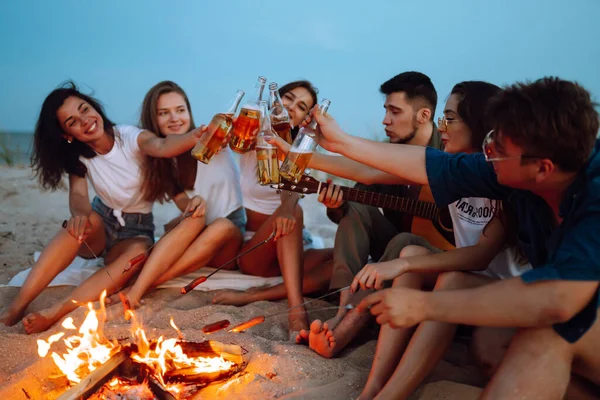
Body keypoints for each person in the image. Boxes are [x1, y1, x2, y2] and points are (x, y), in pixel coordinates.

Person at [310, 77, 600, 398]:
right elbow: (426, 164)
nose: (487, 154)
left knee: (546, 336)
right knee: (491, 346)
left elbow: (559, 299)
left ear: (542, 169)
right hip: (559, 307)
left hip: (577, 309)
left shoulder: (593, 196)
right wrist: (333, 143)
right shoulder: (518, 167)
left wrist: (424, 305)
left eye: (497, 150)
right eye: (490, 140)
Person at [350, 81, 533, 400]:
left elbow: (480, 257)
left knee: (444, 276)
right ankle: (374, 386)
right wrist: (310, 156)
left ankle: (390, 395)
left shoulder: (501, 175)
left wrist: (401, 264)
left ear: (477, 124)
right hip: (476, 280)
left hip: (510, 289)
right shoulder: (454, 170)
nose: (441, 126)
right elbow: (370, 171)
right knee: (410, 251)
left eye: (449, 118)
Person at [0, 82, 205, 333]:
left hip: (135, 231)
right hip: (100, 222)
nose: (85, 121)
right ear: (67, 134)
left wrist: (193, 137)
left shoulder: (129, 136)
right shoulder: (79, 156)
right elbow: (78, 196)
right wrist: (79, 216)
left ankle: (56, 311)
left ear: (94, 107)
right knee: (75, 226)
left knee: (137, 255)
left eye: (85, 109)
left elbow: (162, 147)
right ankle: (16, 307)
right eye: (73, 122)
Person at [294, 71, 446, 354]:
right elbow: (354, 205)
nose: (385, 120)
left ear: (423, 116)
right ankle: (344, 309)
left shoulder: (449, 154)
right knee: (361, 207)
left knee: (406, 241)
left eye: (395, 111)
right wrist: (337, 206)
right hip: (392, 254)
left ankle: (352, 323)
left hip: (435, 259)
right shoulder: (386, 153)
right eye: (385, 110)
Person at [212, 80, 334, 341]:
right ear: (275, 100)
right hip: (256, 248)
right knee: (292, 214)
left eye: (301, 106)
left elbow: (291, 189)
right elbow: (228, 141)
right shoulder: (255, 133)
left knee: (342, 261)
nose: (290, 107)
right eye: (287, 98)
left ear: (305, 119)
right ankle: (296, 308)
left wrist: (288, 209)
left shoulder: (302, 151)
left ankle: (255, 296)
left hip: (291, 243)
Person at [109, 81, 245, 308]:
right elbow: (183, 202)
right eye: (164, 113)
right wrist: (194, 202)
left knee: (220, 225)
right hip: (199, 230)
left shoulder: (211, 139)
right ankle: (140, 283)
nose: (174, 118)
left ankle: (142, 287)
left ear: (189, 113)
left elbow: (231, 135)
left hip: (229, 237)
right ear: (154, 119)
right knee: (173, 226)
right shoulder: (163, 159)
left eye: (180, 110)